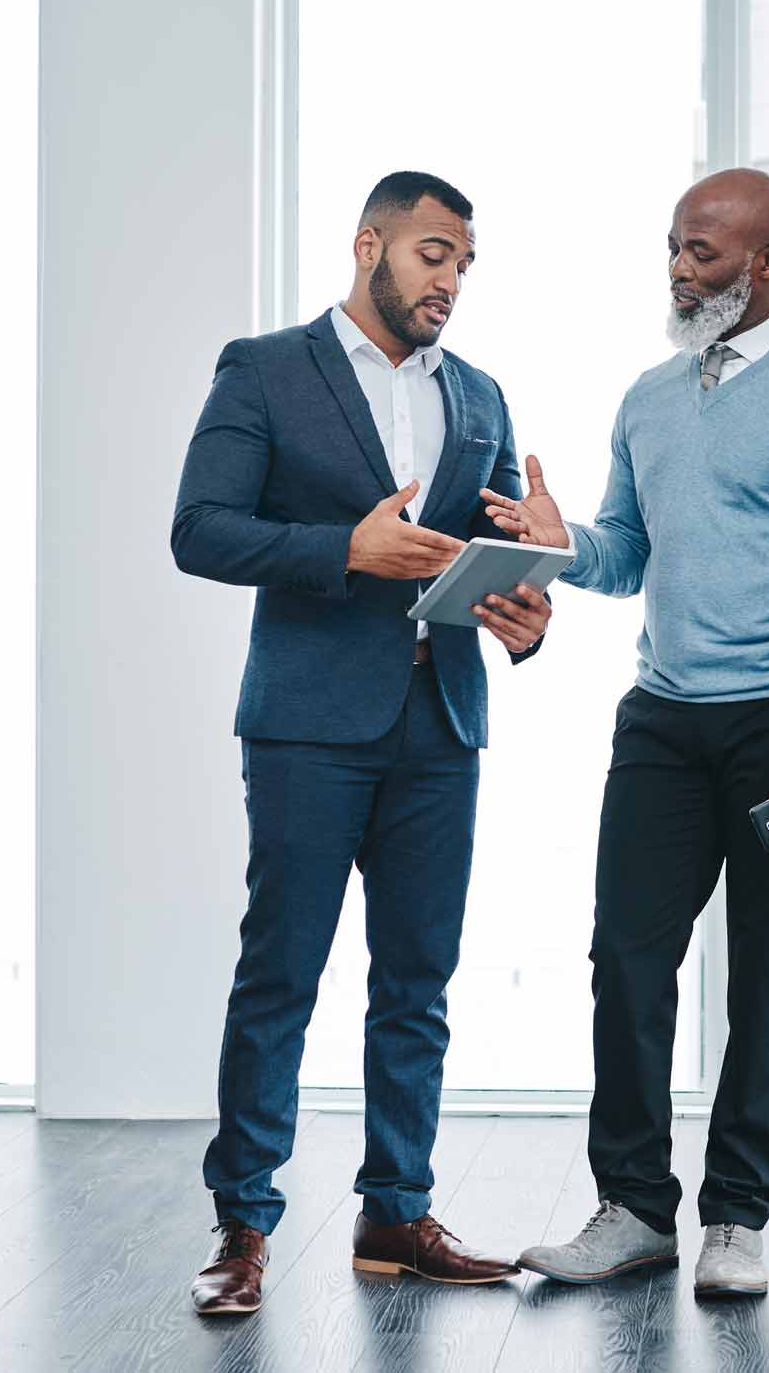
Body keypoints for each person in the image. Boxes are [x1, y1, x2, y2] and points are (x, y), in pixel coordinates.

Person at [484, 167, 769, 1300]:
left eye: (704, 254)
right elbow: (629, 552)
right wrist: (560, 538)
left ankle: (736, 1219)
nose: (680, 268)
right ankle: (631, 1209)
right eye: (674, 247)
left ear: (767, 264)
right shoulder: (648, 398)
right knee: (625, 957)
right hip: (663, 720)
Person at [171, 170, 552, 1315]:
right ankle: (242, 1223)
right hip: (306, 724)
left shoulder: (479, 395)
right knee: (279, 972)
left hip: (441, 721)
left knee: (417, 981)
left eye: (465, 264)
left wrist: (526, 613)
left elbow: (492, 555)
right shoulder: (266, 369)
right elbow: (201, 529)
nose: (450, 280)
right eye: (434, 254)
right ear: (368, 244)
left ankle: (395, 1212)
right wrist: (346, 549)